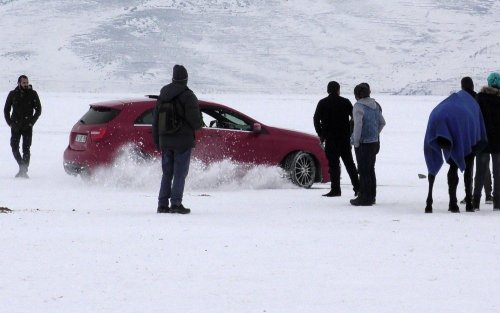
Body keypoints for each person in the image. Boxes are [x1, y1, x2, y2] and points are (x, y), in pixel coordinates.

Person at [152, 65, 202, 214]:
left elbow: (155, 120)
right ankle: (176, 204)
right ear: (186, 79)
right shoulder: (188, 96)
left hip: (165, 140)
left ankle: (162, 204)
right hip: (182, 141)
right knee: (180, 173)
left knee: (167, 173)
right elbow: (195, 122)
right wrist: (199, 123)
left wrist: (157, 141)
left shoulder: (163, 95)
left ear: (173, 78)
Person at [313, 81, 359, 197]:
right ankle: (358, 188)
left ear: (328, 90)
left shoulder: (323, 103)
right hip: (344, 138)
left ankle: (336, 189)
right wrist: (350, 130)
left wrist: (321, 134)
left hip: (330, 139)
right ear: (338, 90)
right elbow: (354, 117)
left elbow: (316, 119)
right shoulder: (345, 102)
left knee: (333, 165)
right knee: (349, 164)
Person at [350, 83, 386, 206]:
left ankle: (364, 197)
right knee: (370, 169)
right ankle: (372, 196)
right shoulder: (376, 105)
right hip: (374, 143)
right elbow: (382, 122)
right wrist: (375, 134)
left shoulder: (358, 106)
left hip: (363, 143)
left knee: (364, 170)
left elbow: (358, 125)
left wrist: (356, 140)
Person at [460, 77, 493, 205]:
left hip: (472, 136)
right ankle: (488, 194)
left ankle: (471, 195)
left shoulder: (464, 99)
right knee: (483, 166)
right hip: (483, 136)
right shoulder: (478, 97)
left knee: (471, 166)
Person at [471, 72, 500, 210]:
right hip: (498, 142)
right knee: (498, 173)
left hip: (482, 140)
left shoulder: (479, 99)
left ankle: (475, 201)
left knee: (480, 172)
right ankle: (498, 202)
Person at [4, 75, 42, 178]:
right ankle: (22, 167)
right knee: (14, 147)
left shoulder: (33, 94)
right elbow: (6, 110)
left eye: (26, 82)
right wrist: (10, 123)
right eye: (23, 83)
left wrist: (31, 122)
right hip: (15, 126)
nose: (25, 84)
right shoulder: (13, 94)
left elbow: (38, 110)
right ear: (19, 83)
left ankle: (23, 170)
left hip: (27, 126)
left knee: (26, 148)